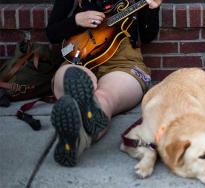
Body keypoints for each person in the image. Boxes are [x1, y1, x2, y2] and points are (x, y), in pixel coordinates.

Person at [46, 0, 163, 167]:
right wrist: (76, 20)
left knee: (104, 97)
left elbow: (147, 36)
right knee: (73, 78)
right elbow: (52, 33)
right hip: (79, 56)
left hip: (123, 61)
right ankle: (81, 129)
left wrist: (153, 9)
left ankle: (76, 139)